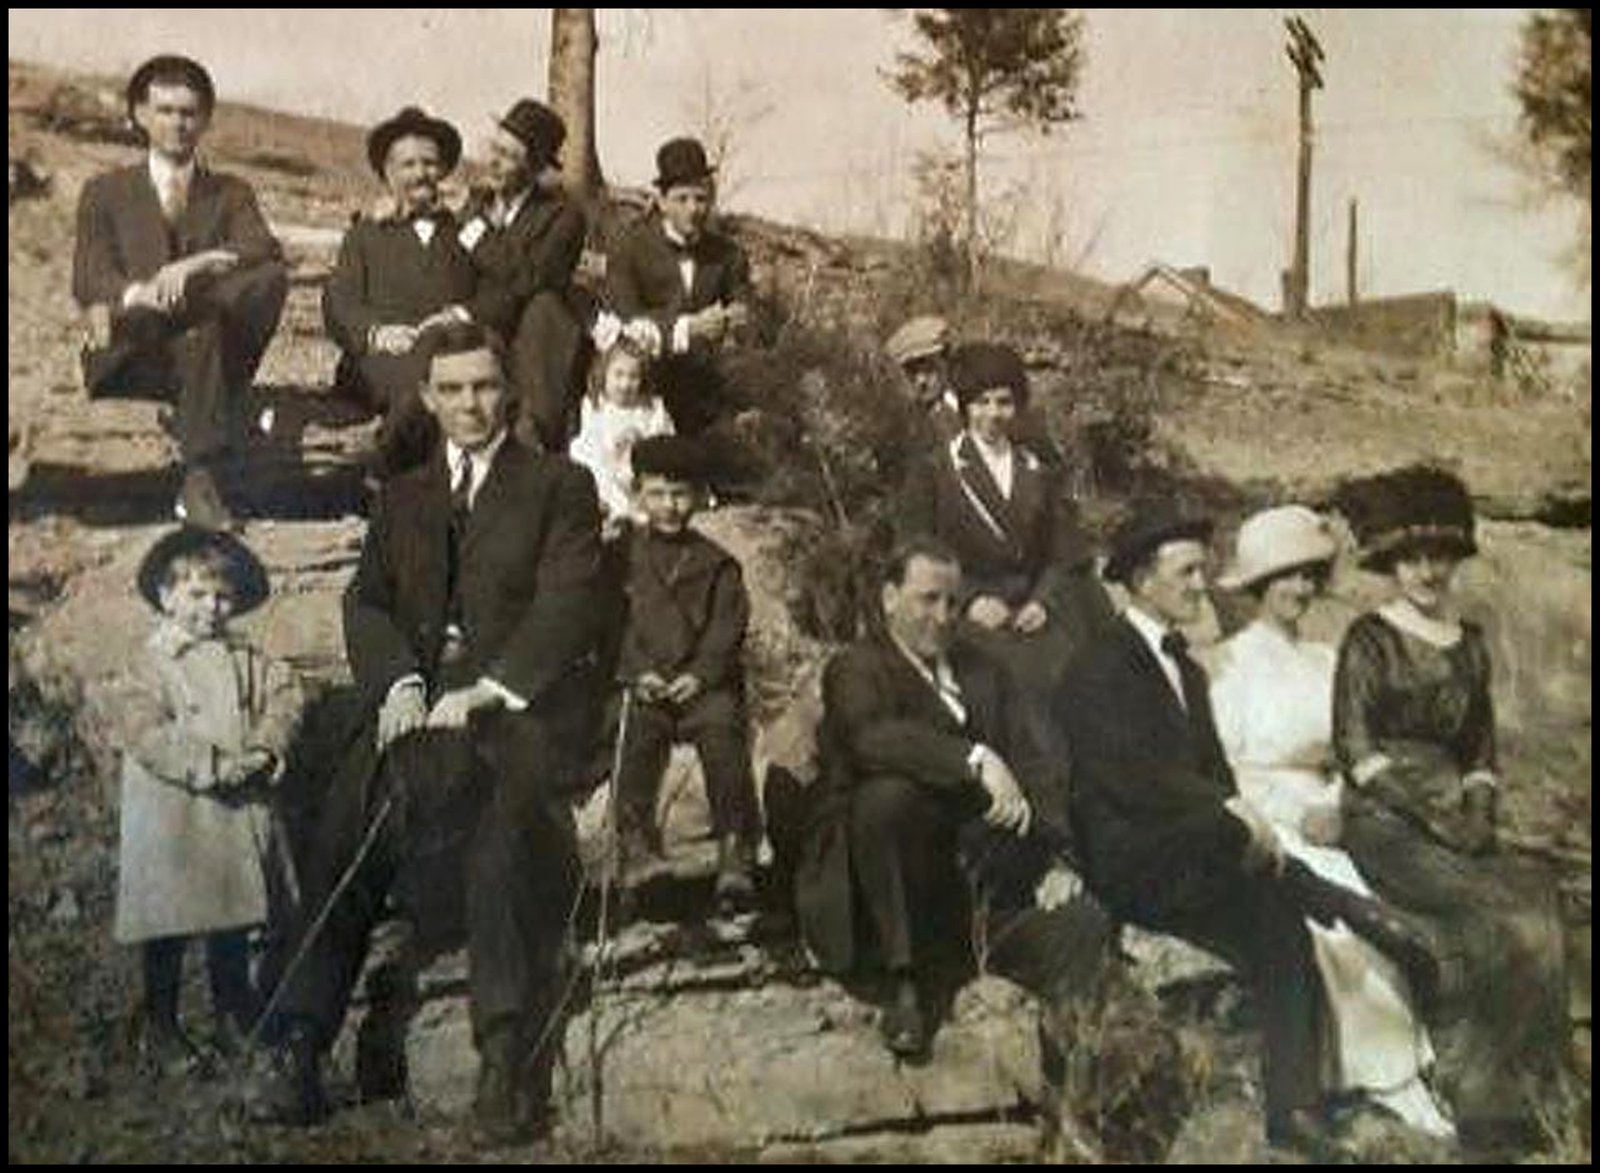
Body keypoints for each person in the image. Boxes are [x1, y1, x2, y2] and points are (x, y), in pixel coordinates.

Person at [258, 322, 604, 1142]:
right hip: (418, 711)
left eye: (483, 386)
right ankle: (301, 1039)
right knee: (351, 817)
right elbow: (368, 601)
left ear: (508, 391)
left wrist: (491, 687)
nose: (469, 404)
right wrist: (399, 683)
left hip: (515, 712)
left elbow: (571, 600)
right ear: (426, 397)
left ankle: (502, 1059)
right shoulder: (405, 495)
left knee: (500, 841)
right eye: (450, 389)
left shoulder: (558, 485)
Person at [1056, 499, 1437, 1156]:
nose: (1199, 584)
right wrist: (1232, 816)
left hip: (1190, 848)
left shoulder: (1184, 666)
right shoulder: (1098, 665)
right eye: (1185, 572)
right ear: (1142, 580)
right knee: (1243, 844)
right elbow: (1130, 779)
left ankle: (1292, 1109)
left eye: (1201, 570)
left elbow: (1213, 770)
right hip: (1130, 856)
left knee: (1278, 924)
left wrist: (1241, 817)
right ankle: (1341, 903)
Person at [776, 537, 1111, 1061]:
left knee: (1081, 921)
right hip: (891, 897)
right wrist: (973, 758)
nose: (943, 616)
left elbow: (1037, 762)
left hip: (979, 890)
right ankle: (905, 986)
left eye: (953, 603)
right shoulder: (856, 667)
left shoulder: (984, 669)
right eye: (927, 599)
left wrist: (1058, 859)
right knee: (889, 798)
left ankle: (1077, 1080)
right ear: (889, 598)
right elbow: (870, 738)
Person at [1330, 465, 1569, 1144]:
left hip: (1458, 818)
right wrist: (1437, 819)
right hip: (1385, 820)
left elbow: (1480, 750)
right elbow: (1355, 750)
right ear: (1391, 565)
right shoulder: (1370, 638)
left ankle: (1541, 1097)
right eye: (1412, 558)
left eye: (1439, 556)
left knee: (1540, 897)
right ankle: (1485, 1108)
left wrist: (1479, 813)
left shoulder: (1469, 644)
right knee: (1500, 917)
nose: (1427, 571)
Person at [1207, 505, 1454, 1139]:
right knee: (1343, 929)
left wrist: (1339, 802)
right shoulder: (1228, 664)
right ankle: (1387, 1078)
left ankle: (1442, 1068)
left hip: (1341, 809)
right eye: (1286, 576)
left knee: (1416, 898)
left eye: (1309, 575)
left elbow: (1357, 748)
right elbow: (1228, 770)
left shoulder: (1328, 658)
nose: (1301, 588)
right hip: (1268, 816)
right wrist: (1297, 813)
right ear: (1259, 585)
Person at [113, 526, 302, 1072]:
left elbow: (286, 694)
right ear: (167, 597)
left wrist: (266, 745)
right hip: (175, 810)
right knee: (168, 923)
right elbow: (144, 729)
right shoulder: (150, 662)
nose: (210, 608)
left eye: (222, 596)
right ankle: (161, 1024)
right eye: (196, 594)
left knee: (232, 914)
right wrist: (211, 765)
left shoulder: (245, 657)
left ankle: (232, 1014)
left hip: (233, 808)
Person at [72, 54, 289, 530]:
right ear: (140, 115)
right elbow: (89, 277)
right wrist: (140, 293)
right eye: (165, 111)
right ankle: (200, 481)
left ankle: (197, 480)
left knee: (261, 281)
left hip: (211, 346)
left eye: (189, 113)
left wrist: (196, 264)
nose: (178, 124)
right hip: (134, 350)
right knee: (201, 326)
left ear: (206, 119)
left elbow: (261, 247)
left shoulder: (230, 192)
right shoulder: (105, 191)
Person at [897, 342, 1114, 747]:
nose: (993, 415)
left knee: (1077, 679)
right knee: (1010, 692)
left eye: (1004, 402)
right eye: (981, 402)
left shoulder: (1035, 468)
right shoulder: (936, 470)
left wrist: (1043, 602)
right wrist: (968, 600)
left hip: (1031, 612)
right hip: (965, 616)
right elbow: (915, 553)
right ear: (964, 406)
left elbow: (1061, 552)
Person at [608, 435, 761, 906]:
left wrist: (702, 674)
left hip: (701, 688)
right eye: (656, 493)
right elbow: (610, 623)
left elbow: (726, 628)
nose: (669, 506)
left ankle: (734, 849)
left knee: (724, 735)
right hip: (647, 685)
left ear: (698, 496)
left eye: (679, 494)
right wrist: (636, 671)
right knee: (635, 735)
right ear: (637, 494)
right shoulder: (621, 557)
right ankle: (636, 845)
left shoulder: (718, 565)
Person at [323, 106, 477, 478]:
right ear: (388, 174)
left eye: (430, 163)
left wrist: (458, 316)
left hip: (447, 354)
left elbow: (498, 286)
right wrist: (376, 333)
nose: (421, 173)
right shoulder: (365, 233)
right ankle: (385, 472)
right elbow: (339, 301)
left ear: (444, 171)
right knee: (422, 392)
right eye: (408, 165)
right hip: (382, 359)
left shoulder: (465, 232)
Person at [456, 98, 589, 450]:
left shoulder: (563, 216)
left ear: (535, 167)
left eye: (508, 156)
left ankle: (532, 441)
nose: (493, 162)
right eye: (493, 148)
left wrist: (478, 235)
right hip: (473, 328)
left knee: (546, 308)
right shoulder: (474, 203)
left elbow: (530, 280)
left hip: (527, 338)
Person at [604, 136, 751, 437]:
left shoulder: (728, 254)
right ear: (661, 201)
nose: (693, 209)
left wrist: (739, 316)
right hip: (646, 376)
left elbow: (744, 303)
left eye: (701, 199)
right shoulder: (628, 246)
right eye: (682, 199)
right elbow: (627, 316)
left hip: (706, 379)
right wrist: (688, 327)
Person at [885, 315, 1062, 466]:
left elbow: (1043, 458)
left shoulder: (987, 401)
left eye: (929, 368)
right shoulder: (910, 422)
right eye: (911, 371)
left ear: (946, 361)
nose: (921, 380)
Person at [566, 336, 674, 531]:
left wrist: (640, 444)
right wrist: (614, 450)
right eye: (618, 375)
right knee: (580, 449)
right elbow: (593, 444)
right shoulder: (596, 405)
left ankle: (639, 510)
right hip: (606, 466)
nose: (625, 384)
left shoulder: (650, 408)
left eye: (633, 377)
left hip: (638, 471)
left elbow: (664, 441)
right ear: (604, 374)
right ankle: (609, 508)